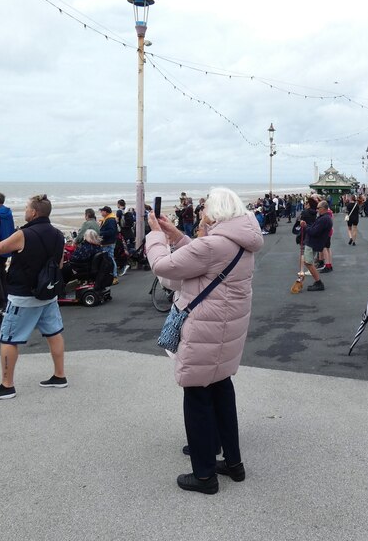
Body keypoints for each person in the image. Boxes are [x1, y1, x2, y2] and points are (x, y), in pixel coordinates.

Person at [146, 187, 263, 494]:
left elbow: (164, 267)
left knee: (196, 395)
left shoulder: (214, 245)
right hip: (225, 329)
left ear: (216, 212)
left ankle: (204, 475)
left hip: (206, 330)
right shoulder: (241, 242)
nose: (202, 213)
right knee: (222, 389)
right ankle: (233, 464)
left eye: (206, 208)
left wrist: (156, 236)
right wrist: (176, 235)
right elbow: (204, 260)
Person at [0, 194, 66, 401]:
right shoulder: (58, 234)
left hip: (23, 295)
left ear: (34, 212)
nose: (25, 211)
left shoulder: (24, 234)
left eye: (27, 207)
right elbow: (60, 264)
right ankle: (59, 375)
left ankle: (7, 385)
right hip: (48, 293)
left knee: (9, 338)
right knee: (53, 333)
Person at [0, 191, 16, 309]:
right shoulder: (8, 212)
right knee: (1, 272)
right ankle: (6, 296)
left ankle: (1, 301)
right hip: (7, 245)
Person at [300, 201, 333, 291]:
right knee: (308, 262)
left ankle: (318, 282)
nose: (317, 210)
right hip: (315, 242)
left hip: (313, 243)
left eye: (318, 208)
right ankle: (318, 282)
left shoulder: (324, 219)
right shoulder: (325, 218)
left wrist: (305, 226)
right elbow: (315, 229)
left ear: (323, 208)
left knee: (308, 262)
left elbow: (313, 232)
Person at [99, 206, 119, 282]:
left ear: (106, 212)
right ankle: (111, 275)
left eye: (102, 211)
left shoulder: (110, 220)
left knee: (110, 259)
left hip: (109, 243)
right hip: (108, 242)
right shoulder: (108, 219)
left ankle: (114, 276)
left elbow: (112, 231)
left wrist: (100, 233)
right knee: (108, 259)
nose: (101, 213)